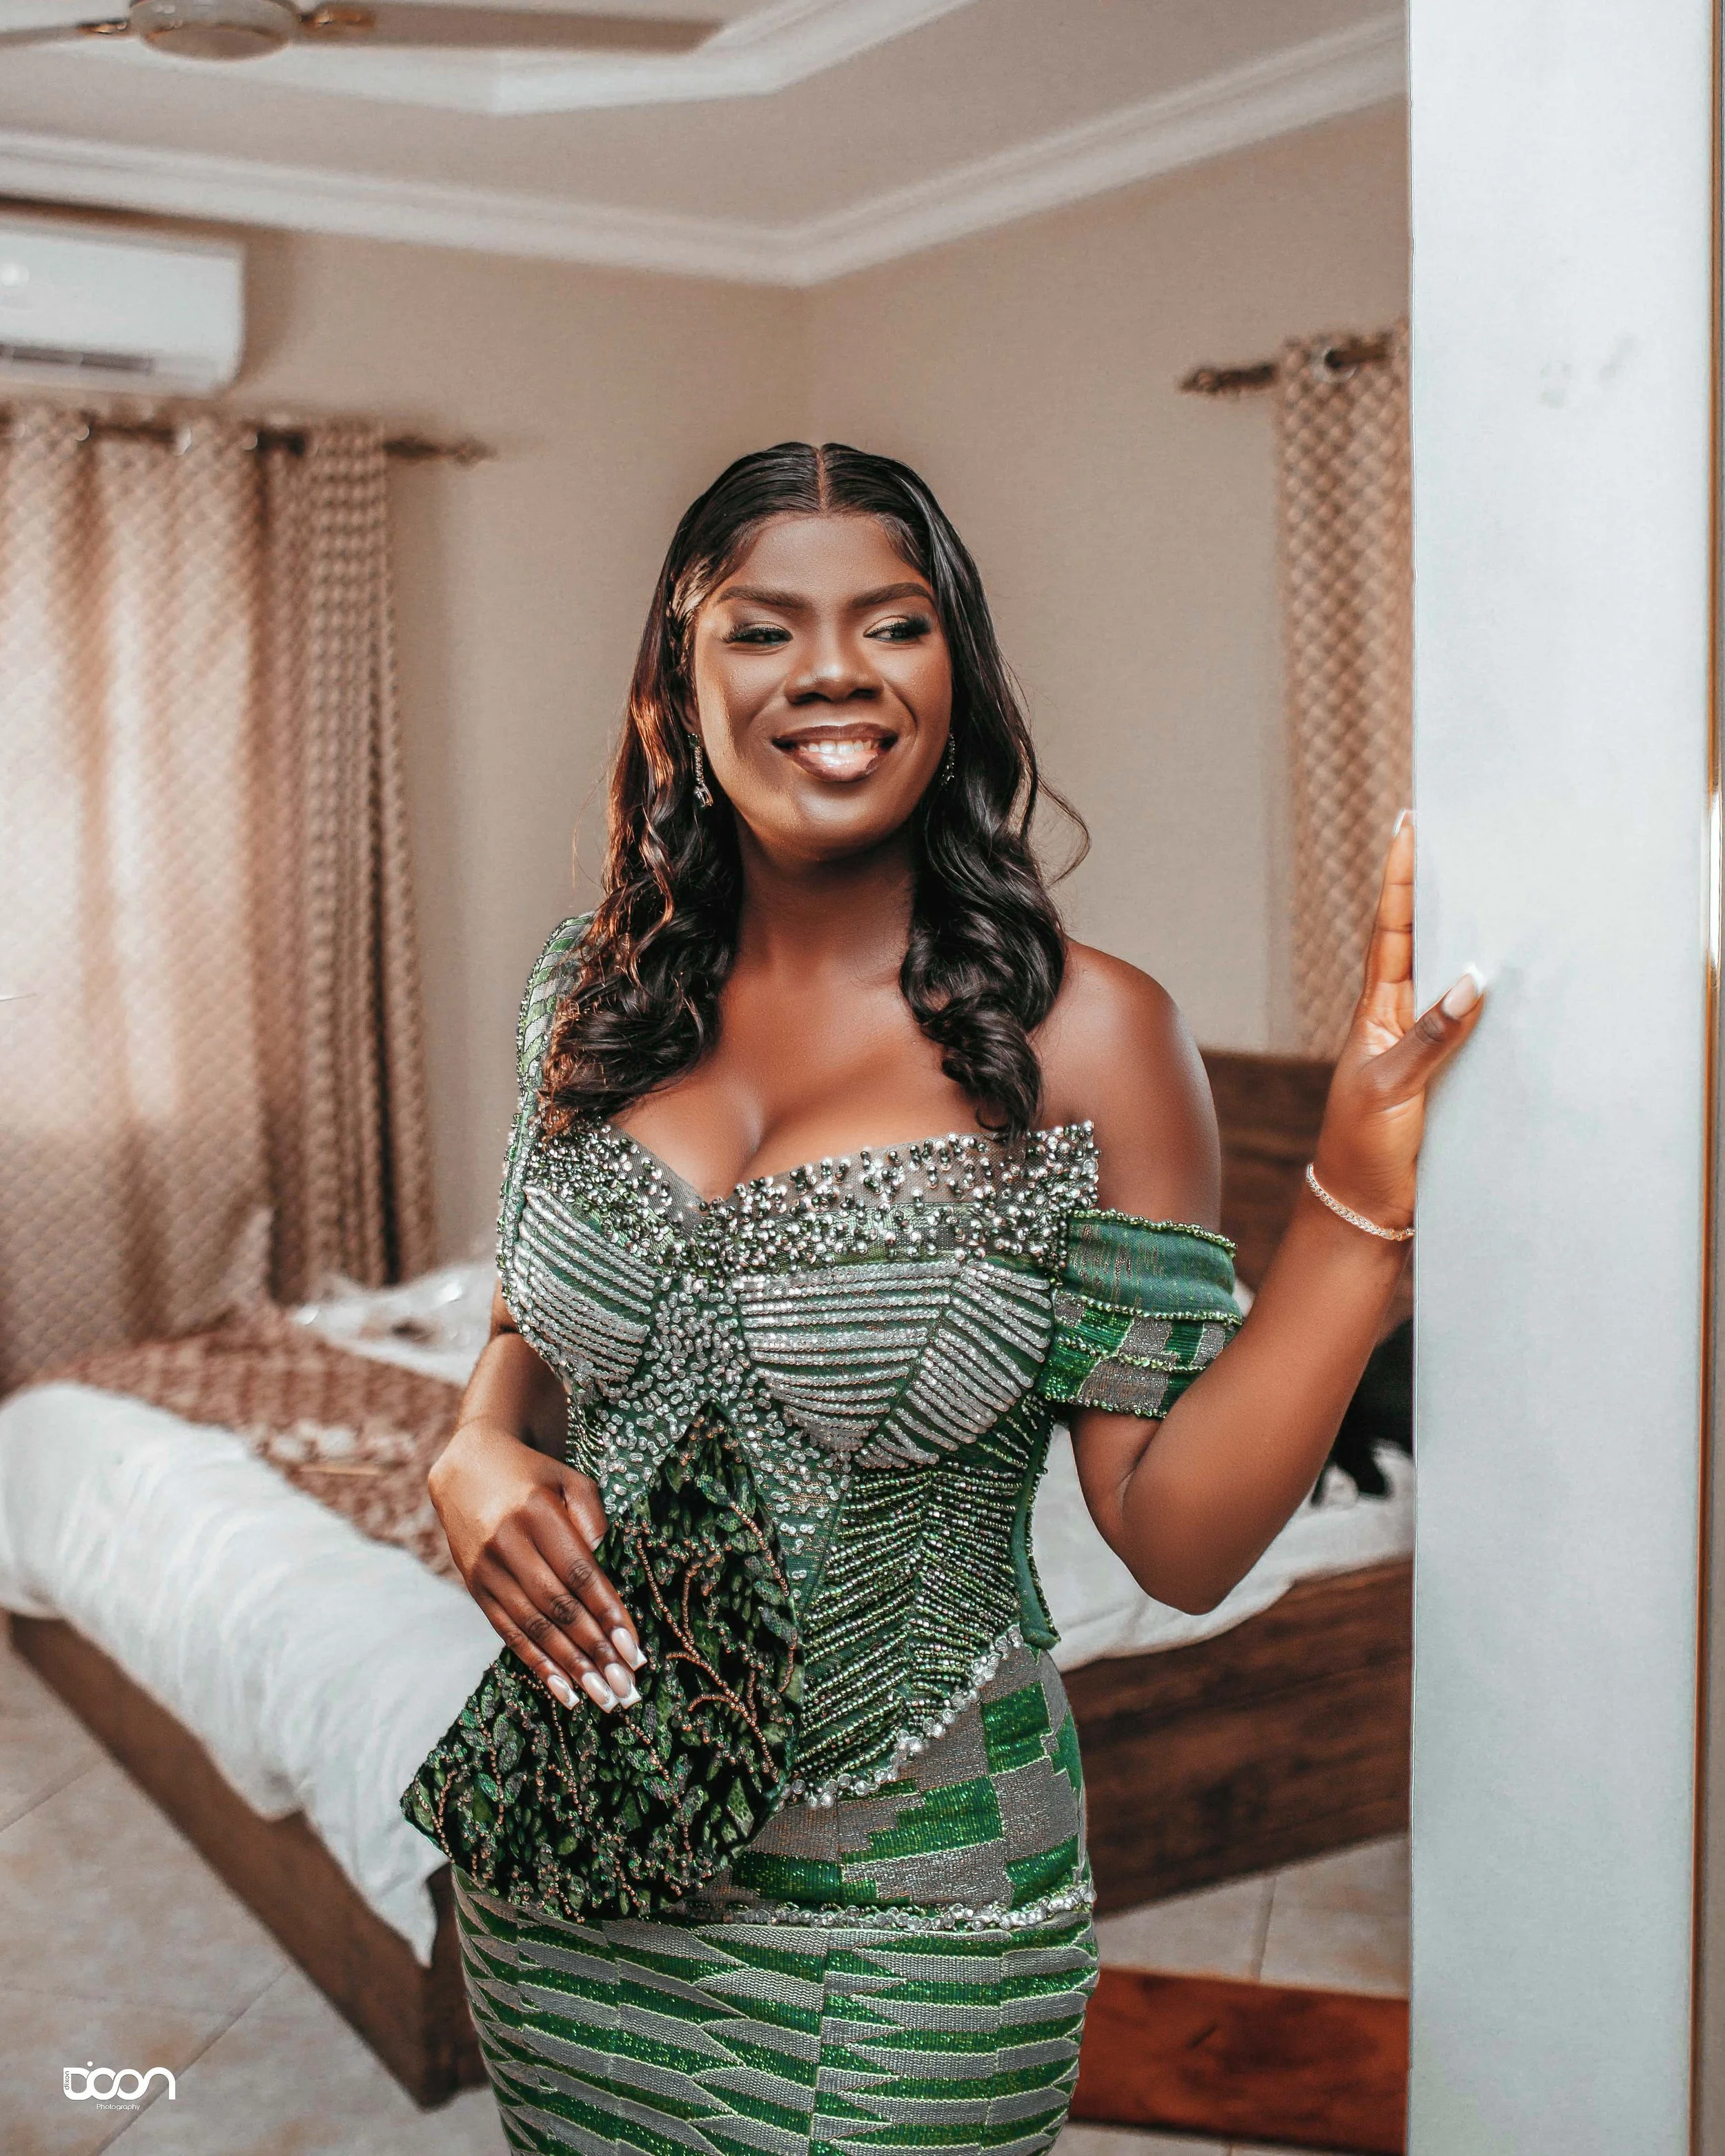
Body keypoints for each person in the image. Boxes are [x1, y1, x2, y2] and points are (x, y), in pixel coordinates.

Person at [402, 442, 1481, 2156]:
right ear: (680, 685)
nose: (829, 668)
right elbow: (534, 1331)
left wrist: (1351, 1202)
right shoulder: (579, 991)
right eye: (763, 628)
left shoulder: (1093, 1035)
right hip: (569, 1877)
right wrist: (471, 1448)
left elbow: (1178, 1540)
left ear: (951, 677)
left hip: (909, 1919)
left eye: (888, 623)